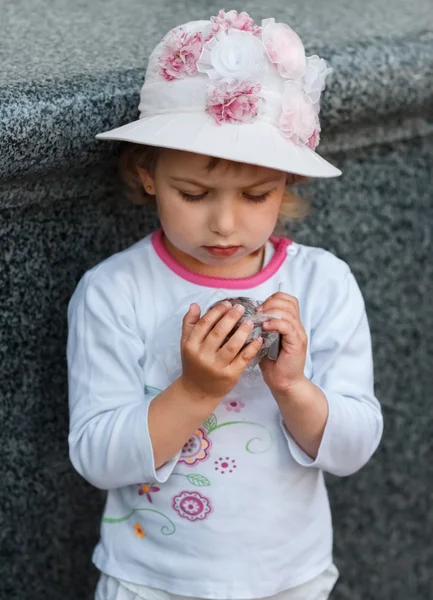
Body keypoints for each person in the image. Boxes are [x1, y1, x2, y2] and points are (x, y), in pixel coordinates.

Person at [67, 9, 383, 600]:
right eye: (195, 193)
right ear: (149, 173)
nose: (225, 222)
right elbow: (97, 457)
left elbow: (354, 447)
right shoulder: (115, 290)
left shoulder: (323, 285)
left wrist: (293, 387)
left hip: (289, 579)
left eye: (257, 194)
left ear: (287, 183)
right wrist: (195, 392)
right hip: (152, 580)